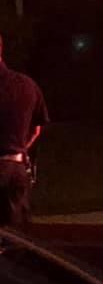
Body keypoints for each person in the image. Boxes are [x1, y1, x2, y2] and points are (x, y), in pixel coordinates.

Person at [0, 33, 48, 224]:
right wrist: (20, 149)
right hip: (17, 170)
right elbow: (37, 128)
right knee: (18, 234)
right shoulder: (27, 85)